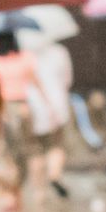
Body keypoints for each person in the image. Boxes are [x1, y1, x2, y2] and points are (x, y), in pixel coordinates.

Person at [0, 29, 39, 206]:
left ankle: (10, 192)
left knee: (1, 152)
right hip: (21, 107)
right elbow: (35, 81)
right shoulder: (25, 57)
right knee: (22, 152)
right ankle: (16, 191)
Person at [27, 39, 75, 198]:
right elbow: (68, 80)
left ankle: (38, 191)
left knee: (36, 150)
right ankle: (54, 175)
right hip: (57, 103)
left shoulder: (27, 53)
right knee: (56, 145)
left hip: (33, 104)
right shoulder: (60, 52)